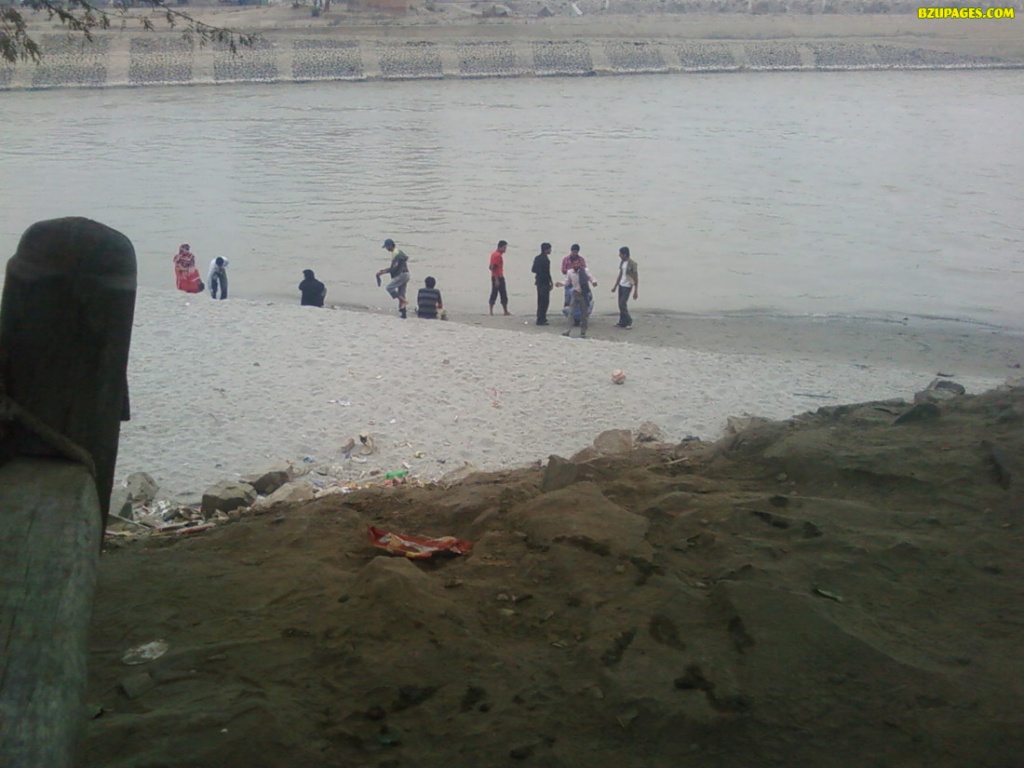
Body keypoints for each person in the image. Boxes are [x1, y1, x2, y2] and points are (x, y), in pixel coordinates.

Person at [557, 253, 597, 338]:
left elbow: (591, 278)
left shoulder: (585, 271)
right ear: (571, 264)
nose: (576, 265)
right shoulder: (570, 272)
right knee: (571, 313)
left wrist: (594, 282)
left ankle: (583, 332)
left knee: (584, 315)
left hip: (583, 294)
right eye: (574, 263)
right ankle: (567, 331)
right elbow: (567, 281)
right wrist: (561, 284)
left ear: (580, 263)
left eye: (577, 263)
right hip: (575, 293)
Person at [375, 238, 410, 318]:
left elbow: (393, 268)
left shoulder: (395, 253)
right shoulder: (399, 252)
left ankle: (403, 301)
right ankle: (403, 313)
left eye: (387, 247)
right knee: (401, 293)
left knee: (389, 288)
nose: (386, 249)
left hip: (402, 275)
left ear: (390, 246)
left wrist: (382, 272)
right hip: (406, 274)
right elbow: (403, 261)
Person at [560, 244, 590, 325]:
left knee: (581, 300)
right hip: (569, 281)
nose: (574, 253)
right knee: (568, 299)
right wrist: (572, 270)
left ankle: (578, 317)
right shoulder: (566, 259)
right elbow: (563, 270)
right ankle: (569, 316)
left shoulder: (581, 260)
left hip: (578, 282)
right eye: (573, 252)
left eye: (576, 252)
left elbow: (585, 270)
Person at [611, 246, 639, 329]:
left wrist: (636, 291)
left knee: (622, 303)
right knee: (620, 304)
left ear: (625, 254)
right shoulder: (622, 262)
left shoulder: (632, 264)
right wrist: (615, 286)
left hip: (628, 286)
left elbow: (636, 277)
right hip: (621, 285)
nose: (619, 255)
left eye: (620, 254)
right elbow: (620, 274)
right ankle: (622, 322)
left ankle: (629, 320)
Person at [531, 242, 554, 326]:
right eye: (550, 249)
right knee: (545, 301)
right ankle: (541, 319)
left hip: (538, 282)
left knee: (540, 300)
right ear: (546, 250)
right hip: (544, 282)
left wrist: (539, 272)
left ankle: (540, 317)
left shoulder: (537, 258)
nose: (551, 250)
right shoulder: (546, 260)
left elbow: (533, 269)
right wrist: (551, 282)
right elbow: (547, 272)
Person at [488, 240, 511, 316]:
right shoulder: (497, 256)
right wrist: (497, 279)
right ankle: (504, 311)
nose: (505, 249)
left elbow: (490, 267)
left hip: (496, 276)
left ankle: (494, 311)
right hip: (498, 277)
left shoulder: (493, 254)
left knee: (496, 293)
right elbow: (493, 267)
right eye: (504, 247)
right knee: (501, 293)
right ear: (500, 247)